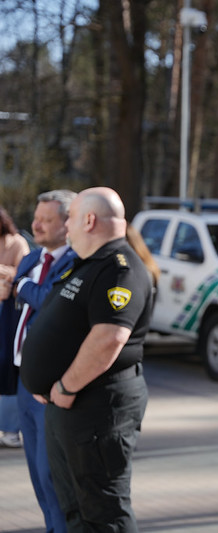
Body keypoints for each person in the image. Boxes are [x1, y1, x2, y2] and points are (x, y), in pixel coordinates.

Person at [19, 187, 154, 532]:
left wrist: (64, 385)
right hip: (68, 406)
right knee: (74, 508)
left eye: (71, 220)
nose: (68, 229)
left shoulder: (119, 268)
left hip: (96, 407)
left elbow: (109, 337)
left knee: (102, 509)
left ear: (90, 220)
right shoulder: (87, 265)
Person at [0, 190, 76, 533]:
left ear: (69, 223)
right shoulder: (32, 259)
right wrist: (11, 288)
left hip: (51, 385)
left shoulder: (76, 260)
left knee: (53, 477)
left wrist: (20, 285)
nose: (36, 225)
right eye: (36, 217)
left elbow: (52, 301)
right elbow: (17, 293)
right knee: (36, 477)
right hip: (23, 378)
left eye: (46, 220)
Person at [0, 205, 29, 448]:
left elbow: (24, 273)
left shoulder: (17, 243)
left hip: (8, 309)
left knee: (7, 365)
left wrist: (3, 271)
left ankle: (10, 429)